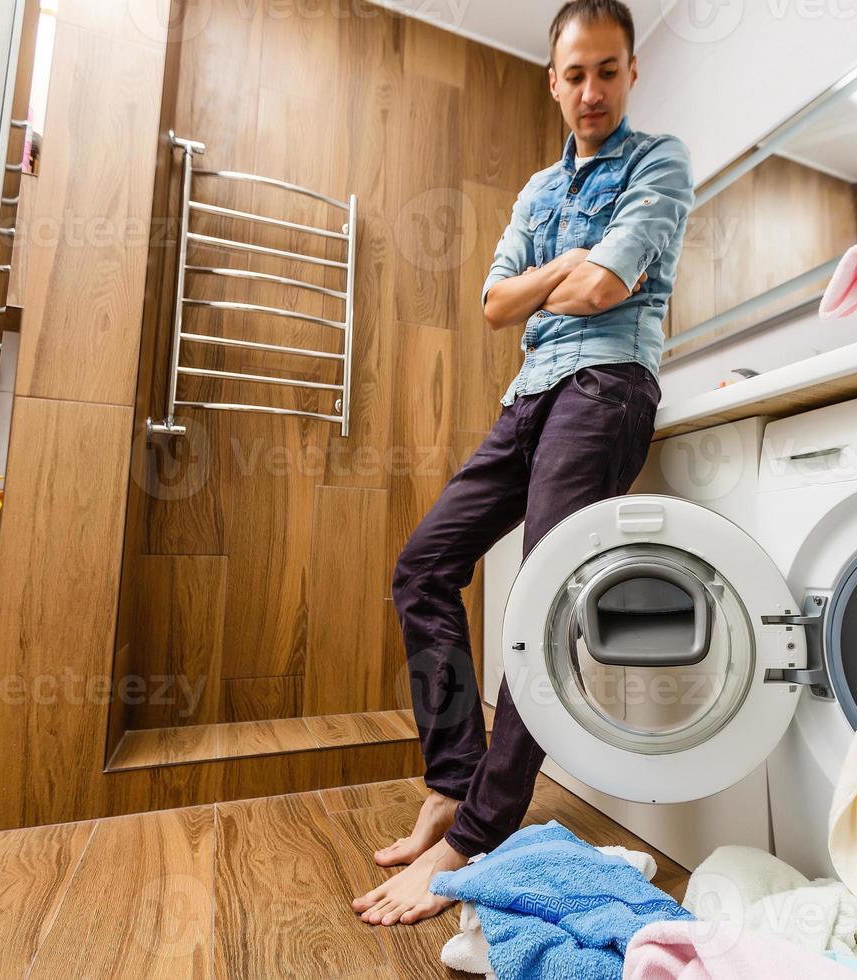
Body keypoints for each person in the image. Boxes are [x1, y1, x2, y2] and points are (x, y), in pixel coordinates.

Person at [352, 0, 694, 927]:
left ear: (632, 73)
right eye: (575, 74)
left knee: (543, 596)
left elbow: (603, 286)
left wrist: (555, 280)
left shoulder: (658, 161)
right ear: (553, 80)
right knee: (424, 563)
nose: (591, 90)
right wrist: (557, 273)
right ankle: (453, 781)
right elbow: (496, 304)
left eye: (608, 71)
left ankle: (479, 832)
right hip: (530, 395)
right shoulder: (538, 191)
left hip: (607, 388)